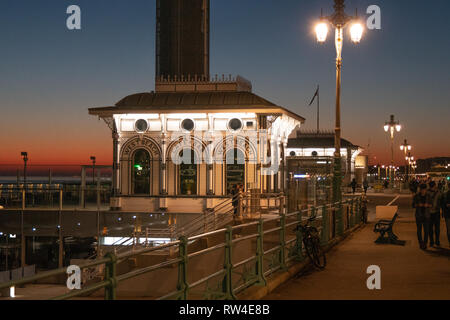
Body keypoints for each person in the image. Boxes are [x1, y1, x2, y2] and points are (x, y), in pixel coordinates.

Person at [412, 184, 431, 250]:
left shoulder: (428, 196)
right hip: (419, 215)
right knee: (419, 230)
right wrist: (417, 205)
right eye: (421, 190)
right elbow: (413, 205)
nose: (423, 191)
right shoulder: (416, 196)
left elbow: (431, 205)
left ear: (426, 189)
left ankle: (425, 243)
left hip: (426, 215)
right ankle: (420, 243)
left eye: (424, 189)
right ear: (420, 189)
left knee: (426, 230)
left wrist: (427, 205)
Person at [428, 181, 442, 247]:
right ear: (434, 186)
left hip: (431, 213)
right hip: (436, 212)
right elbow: (441, 201)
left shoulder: (427, 192)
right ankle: (436, 241)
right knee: (436, 228)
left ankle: (432, 241)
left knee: (431, 228)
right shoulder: (439, 192)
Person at [441, 181, 450, 247]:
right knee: (449, 230)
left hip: (447, 215)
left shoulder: (445, 194)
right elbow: (446, 204)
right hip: (448, 214)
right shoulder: (446, 194)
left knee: (449, 229)